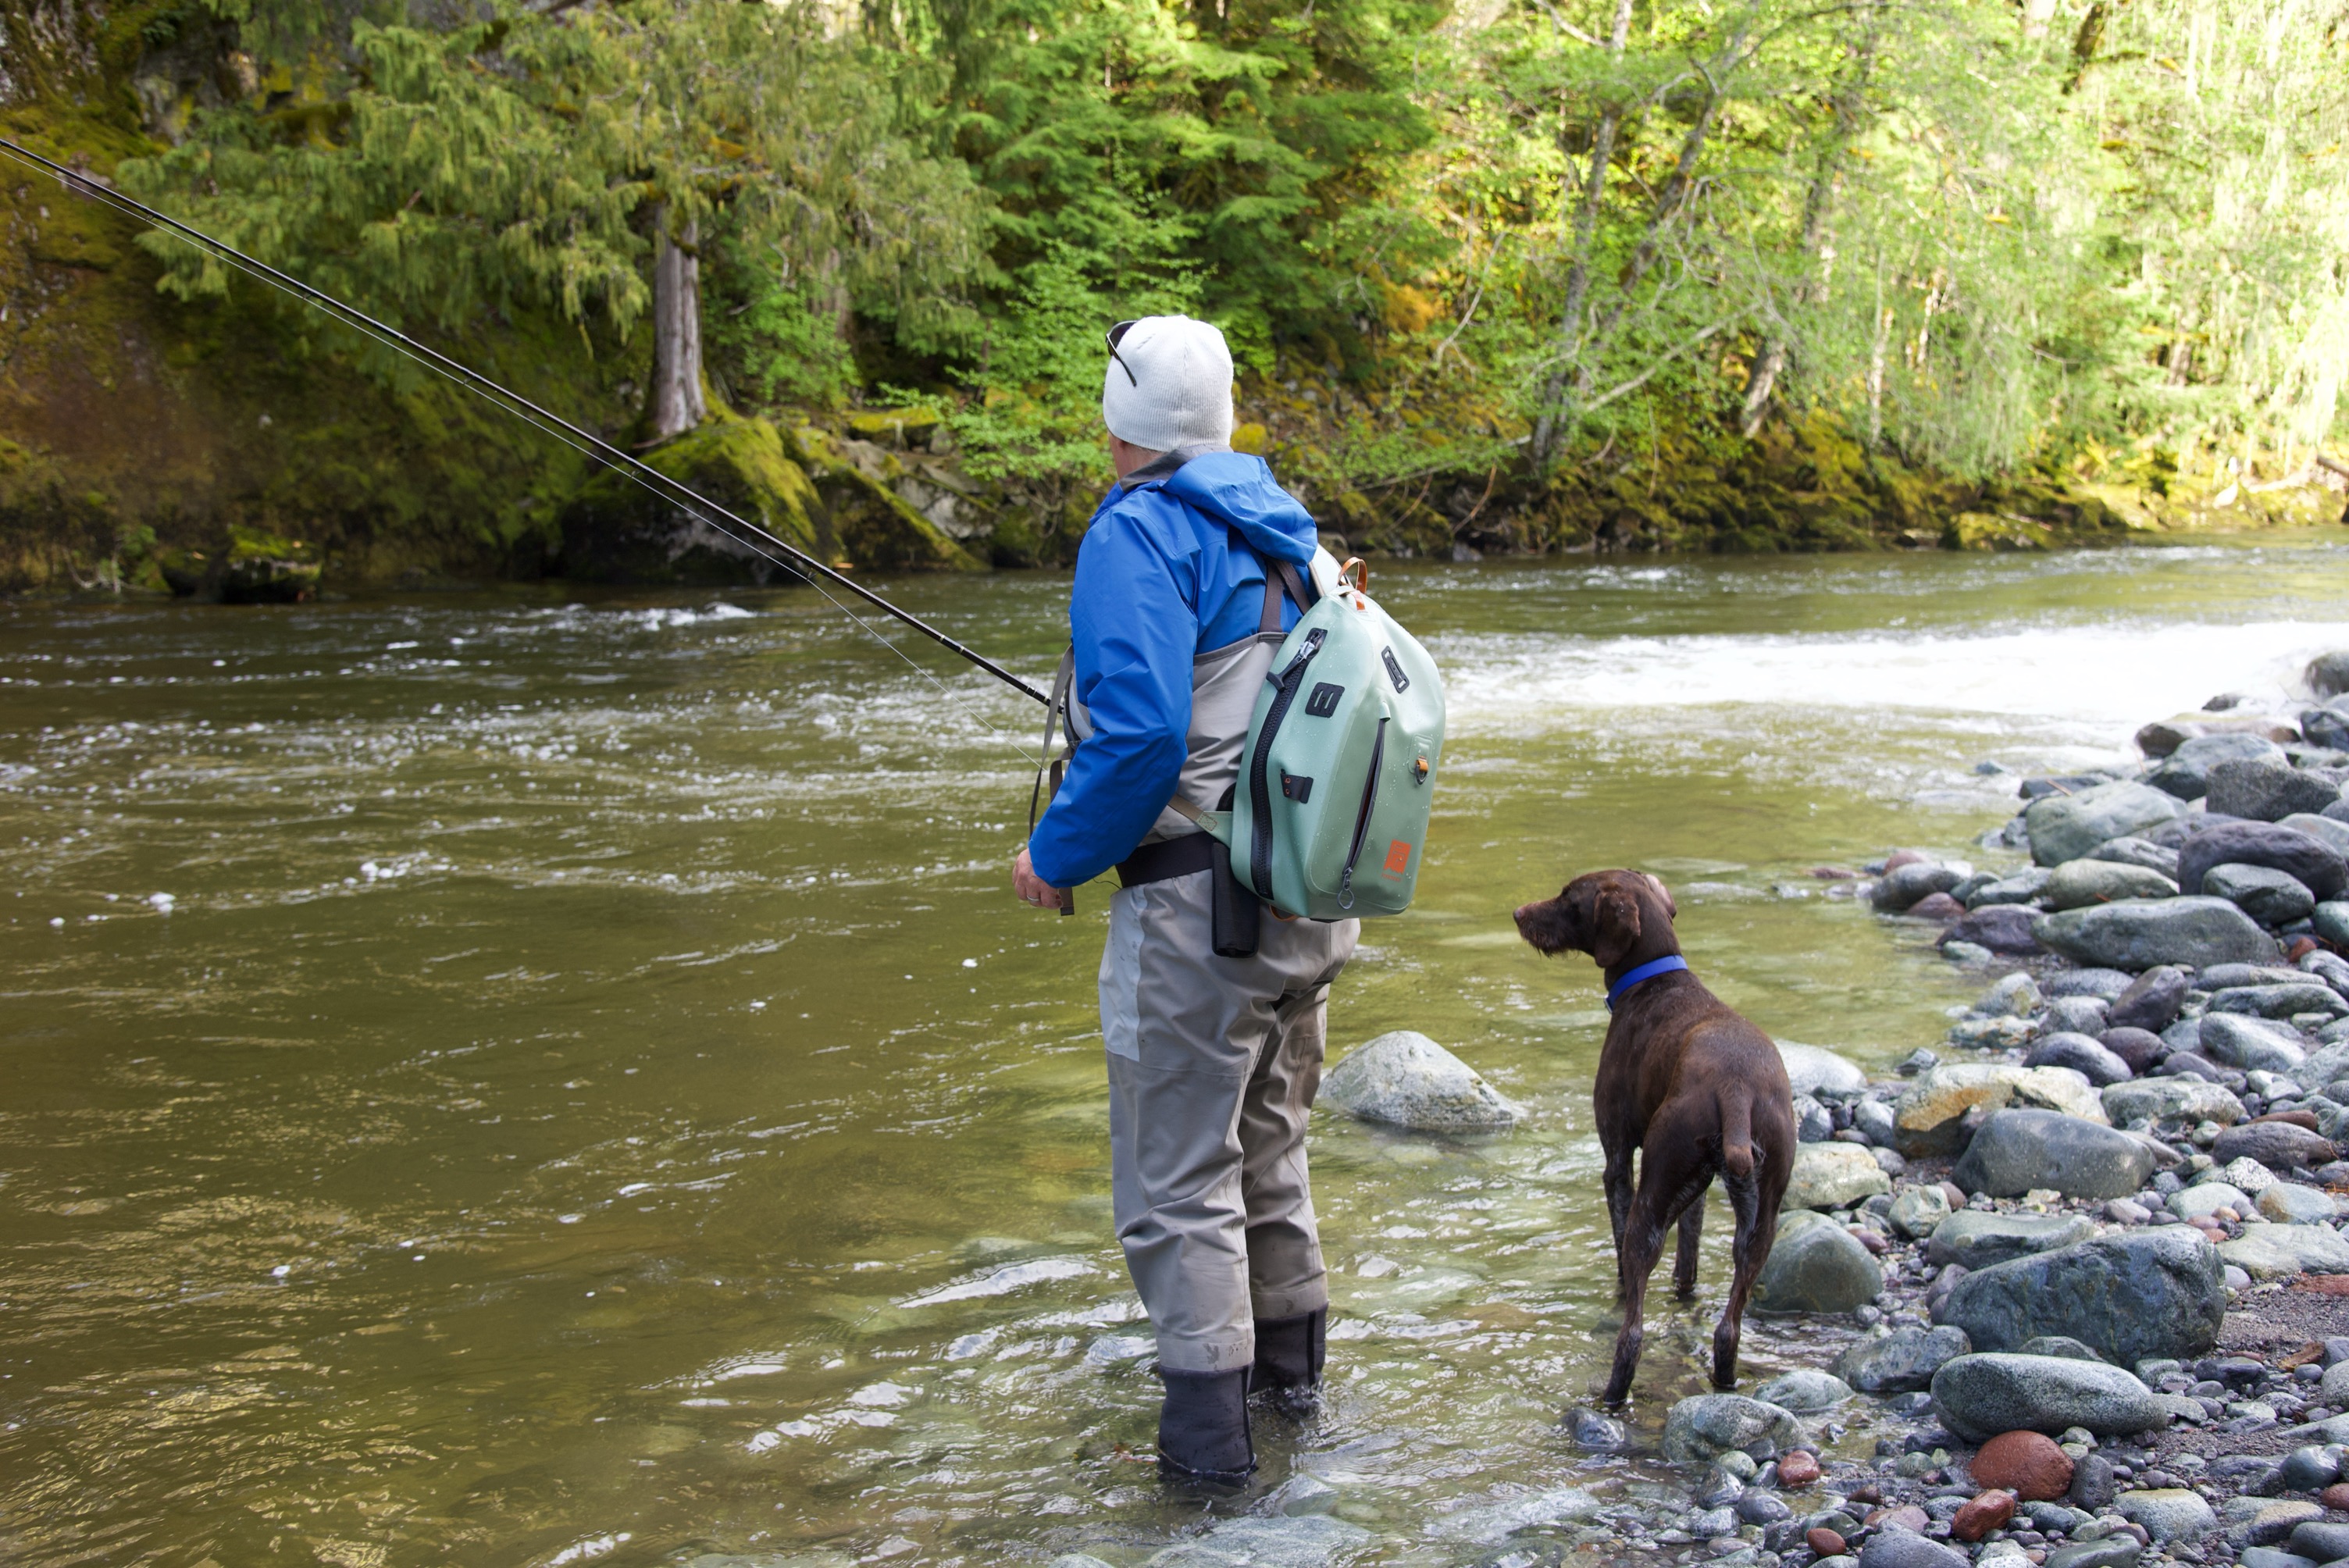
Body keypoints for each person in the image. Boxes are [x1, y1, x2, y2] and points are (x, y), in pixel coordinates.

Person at [1011, 315, 1357, 1485]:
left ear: (1119, 422)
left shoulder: (1140, 534)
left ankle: (1209, 1474)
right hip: (1307, 896)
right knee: (1269, 1145)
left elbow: (1147, 739)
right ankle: (1295, 1397)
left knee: (1176, 1182)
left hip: (1199, 910)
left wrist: (1054, 857)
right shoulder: (1287, 530)